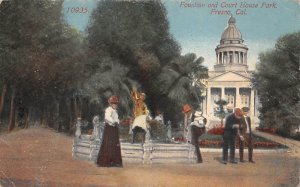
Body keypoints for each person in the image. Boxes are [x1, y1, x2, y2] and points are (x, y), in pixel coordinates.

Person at [97, 95, 122, 167]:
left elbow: (117, 119)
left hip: (114, 128)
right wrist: (113, 122)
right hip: (109, 128)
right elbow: (107, 118)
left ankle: (114, 161)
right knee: (108, 143)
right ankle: (105, 162)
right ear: (111, 104)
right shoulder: (108, 110)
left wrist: (118, 122)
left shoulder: (115, 111)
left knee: (115, 144)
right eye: (114, 103)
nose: (115, 105)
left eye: (116, 103)